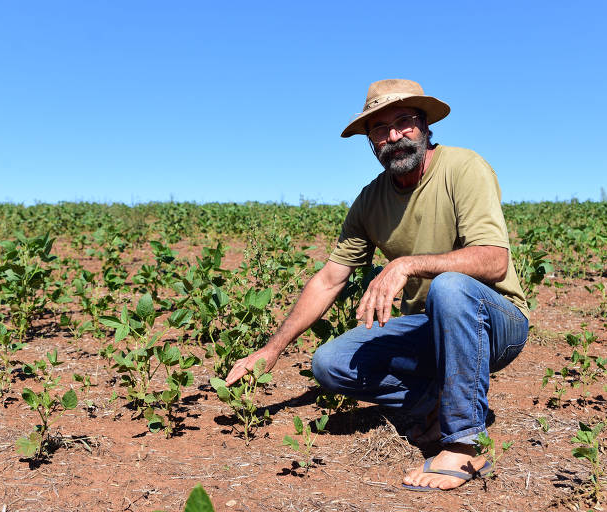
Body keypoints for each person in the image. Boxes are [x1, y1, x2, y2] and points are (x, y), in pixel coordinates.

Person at [225, 79, 529, 491]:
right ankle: (432, 405)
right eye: (380, 129)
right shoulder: (371, 199)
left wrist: (407, 264)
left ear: (425, 126)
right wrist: (271, 349)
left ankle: (464, 443)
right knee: (330, 363)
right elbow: (330, 278)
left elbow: (494, 260)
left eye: (404, 122)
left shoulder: (464, 167)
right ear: (370, 141)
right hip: (429, 329)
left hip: (495, 324)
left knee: (450, 288)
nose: (394, 136)